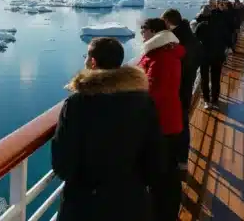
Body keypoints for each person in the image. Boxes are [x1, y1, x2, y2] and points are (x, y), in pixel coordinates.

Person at [52, 37, 164, 221]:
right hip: (131, 203)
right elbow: (155, 156)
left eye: (86, 57)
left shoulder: (78, 103)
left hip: (86, 206)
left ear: (93, 62)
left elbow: (63, 164)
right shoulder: (143, 101)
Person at [138, 18, 185, 221]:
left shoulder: (161, 58)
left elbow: (153, 94)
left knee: (163, 175)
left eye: (143, 30)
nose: (141, 33)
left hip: (162, 124)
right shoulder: (165, 52)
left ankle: (165, 214)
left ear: (154, 32)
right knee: (166, 171)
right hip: (168, 121)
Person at [162, 8, 202, 172]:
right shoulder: (188, 35)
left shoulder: (176, 40)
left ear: (168, 22)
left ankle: (175, 160)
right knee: (183, 122)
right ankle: (182, 159)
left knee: (177, 124)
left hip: (177, 88)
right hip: (186, 85)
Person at [194, 5, 226, 109]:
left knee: (205, 78)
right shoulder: (219, 22)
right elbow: (224, 37)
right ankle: (214, 100)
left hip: (205, 56)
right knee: (215, 78)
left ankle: (207, 101)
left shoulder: (199, 25)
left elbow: (195, 40)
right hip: (217, 55)